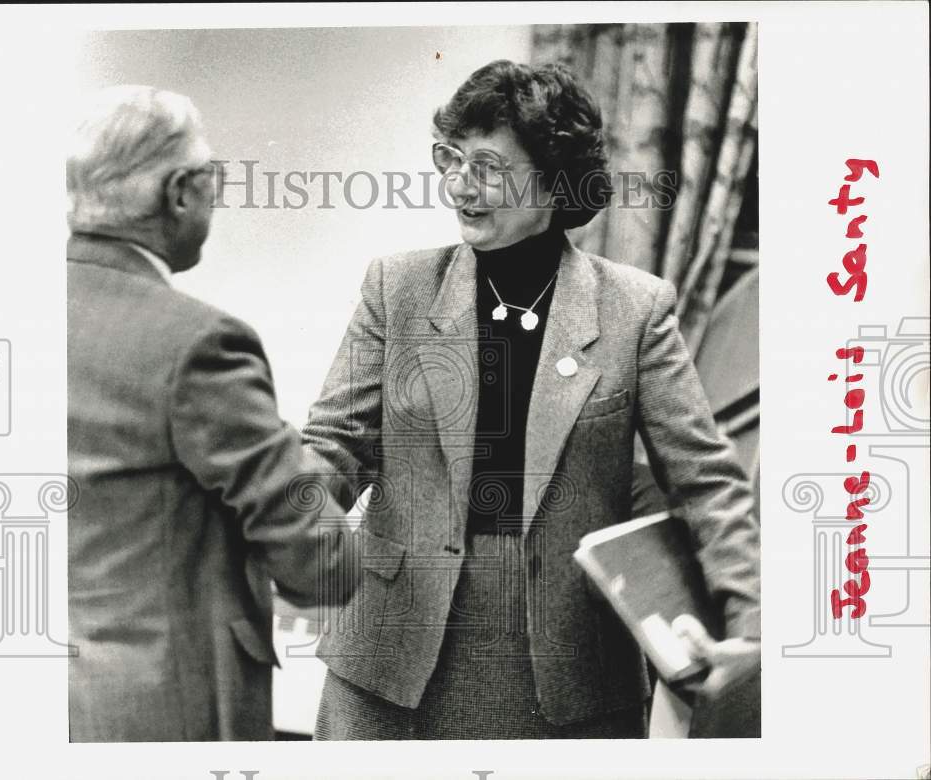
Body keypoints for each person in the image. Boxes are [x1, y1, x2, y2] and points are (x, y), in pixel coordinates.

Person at [302, 60, 761, 740]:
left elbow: (707, 483)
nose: (460, 186)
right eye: (450, 159)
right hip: (387, 665)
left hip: (565, 676)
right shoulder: (397, 288)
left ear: (556, 179)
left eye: (488, 167)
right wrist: (289, 521)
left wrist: (752, 631)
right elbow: (334, 444)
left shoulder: (635, 310)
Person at [66, 85, 357, 742]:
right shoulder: (199, 344)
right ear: (178, 193)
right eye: (214, 177)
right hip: (168, 713)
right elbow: (324, 565)